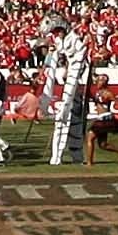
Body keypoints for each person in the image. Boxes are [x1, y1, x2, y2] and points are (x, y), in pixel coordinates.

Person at [45, 30, 94, 167]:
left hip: (75, 94)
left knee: (75, 126)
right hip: (69, 94)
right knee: (64, 122)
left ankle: (76, 156)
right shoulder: (66, 57)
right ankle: (57, 157)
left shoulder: (78, 58)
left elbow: (80, 59)